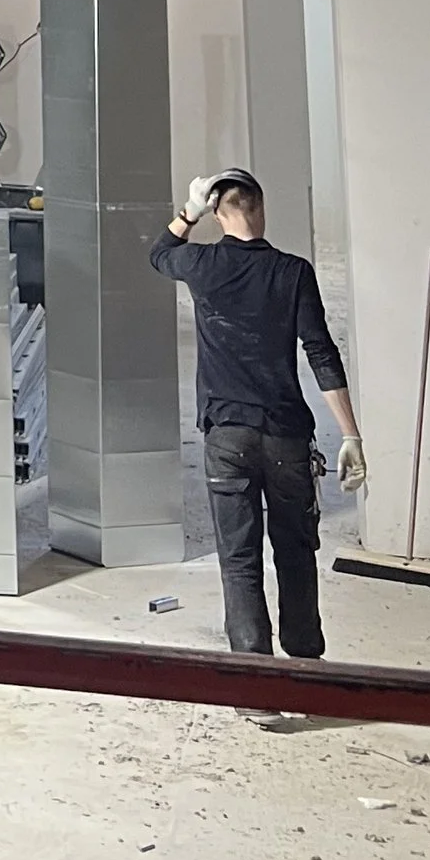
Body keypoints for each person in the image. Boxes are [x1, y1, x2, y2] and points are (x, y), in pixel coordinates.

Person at [153, 168, 366, 660]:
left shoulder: (202, 265)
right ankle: (305, 661)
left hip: (226, 437)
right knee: (296, 554)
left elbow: (158, 253)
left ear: (219, 214)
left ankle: (257, 681)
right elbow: (321, 353)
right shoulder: (293, 272)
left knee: (239, 558)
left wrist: (189, 211)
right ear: (261, 209)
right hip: (286, 436)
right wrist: (350, 435)